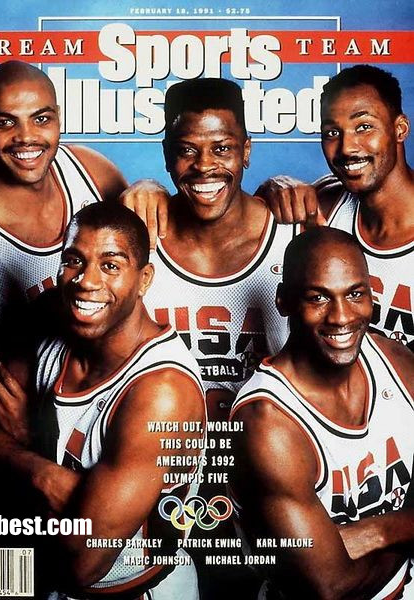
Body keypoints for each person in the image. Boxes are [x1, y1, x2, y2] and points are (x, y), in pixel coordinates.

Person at [0, 201, 206, 599]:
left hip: (131, 590)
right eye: (74, 261)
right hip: (39, 572)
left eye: (110, 265)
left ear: (144, 279)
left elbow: (83, 564)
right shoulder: (54, 314)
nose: (86, 281)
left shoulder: (162, 390)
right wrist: (47, 475)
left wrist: (31, 446)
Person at [230, 227, 414, 599]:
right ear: (284, 301)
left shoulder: (393, 359)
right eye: (318, 298)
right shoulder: (267, 422)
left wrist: (375, 532)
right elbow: (330, 586)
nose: (341, 317)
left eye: (355, 294)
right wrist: (402, 528)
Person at [0, 60, 168, 369]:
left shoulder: (89, 169)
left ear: (58, 118)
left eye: (41, 119)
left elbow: (138, 247)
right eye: (5, 122)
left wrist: (151, 186)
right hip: (29, 393)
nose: (26, 137)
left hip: (108, 378)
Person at [144, 77, 297, 421]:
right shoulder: (140, 239)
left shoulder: (294, 235)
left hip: (275, 445)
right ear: (167, 155)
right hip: (163, 448)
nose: (204, 165)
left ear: (246, 151)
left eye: (222, 149)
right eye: (187, 150)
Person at [257, 65, 414, 349]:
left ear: (400, 129)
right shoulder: (324, 206)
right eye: (332, 132)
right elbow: (245, 218)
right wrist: (272, 187)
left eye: (363, 127)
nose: (346, 148)